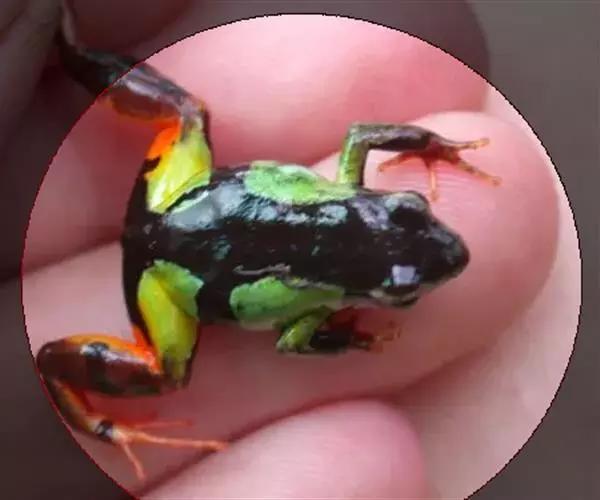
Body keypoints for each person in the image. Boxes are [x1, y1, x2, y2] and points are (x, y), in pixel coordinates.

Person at [9, 1, 576, 498]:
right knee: (169, 371)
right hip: (168, 254)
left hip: (173, 226)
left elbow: (361, 138)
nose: (429, 223)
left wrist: (426, 146)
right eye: (407, 207)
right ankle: (79, 401)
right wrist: (346, 336)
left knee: (185, 117)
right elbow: (291, 340)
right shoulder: (318, 301)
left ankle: (78, 59)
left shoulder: (348, 190)